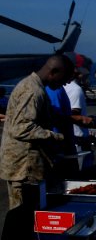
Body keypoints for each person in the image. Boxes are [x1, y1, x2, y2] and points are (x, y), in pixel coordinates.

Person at [0, 54, 74, 210]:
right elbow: (21, 127)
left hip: (27, 167)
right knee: (21, 216)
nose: (65, 83)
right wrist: (56, 137)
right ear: (53, 72)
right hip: (23, 168)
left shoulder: (35, 87)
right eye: (64, 78)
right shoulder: (33, 91)